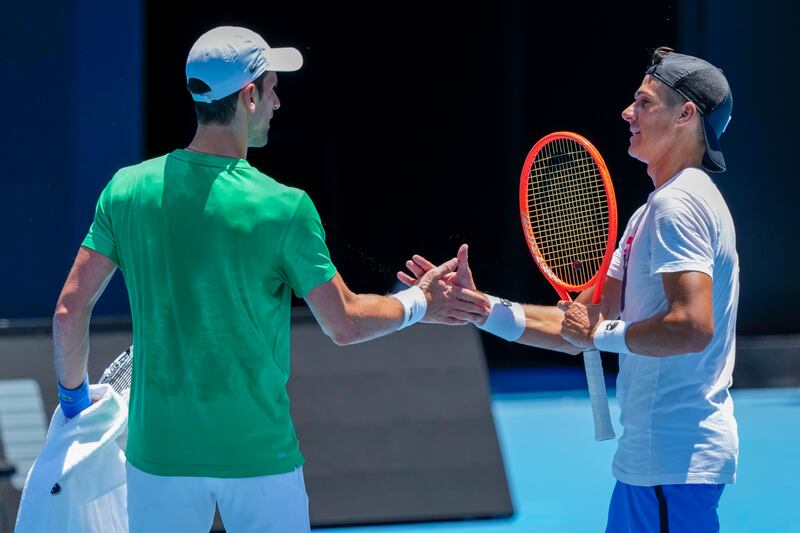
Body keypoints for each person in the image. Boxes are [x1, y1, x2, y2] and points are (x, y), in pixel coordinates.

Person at [52, 26, 488, 533]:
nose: (279, 102)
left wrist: (74, 406)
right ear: (249, 96)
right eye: (273, 89)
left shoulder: (125, 190)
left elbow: (69, 311)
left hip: (158, 458)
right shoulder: (285, 208)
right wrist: (420, 302)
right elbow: (344, 325)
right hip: (259, 455)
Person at [401, 47, 739, 532]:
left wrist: (601, 337)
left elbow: (690, 328)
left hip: (673, 463)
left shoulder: (678, 205)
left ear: (686, 114)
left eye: (643, 103)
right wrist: (480, 308)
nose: (628, 112)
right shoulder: (654, 210)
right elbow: (573, 328)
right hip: (651, 464)